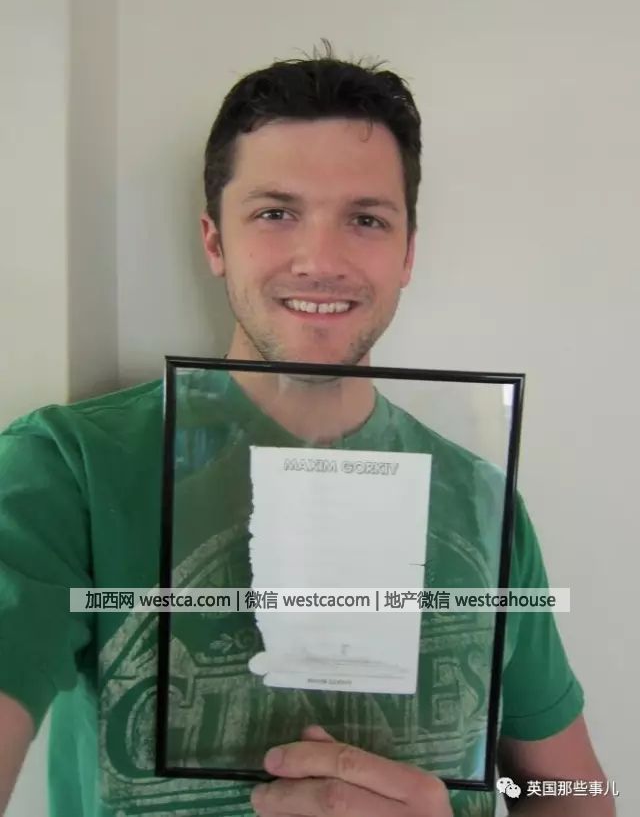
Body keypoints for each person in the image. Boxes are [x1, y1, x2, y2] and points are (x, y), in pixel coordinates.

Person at [0, 45, 613, 817]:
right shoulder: (67, 470)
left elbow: (574, 791)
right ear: (214, 242)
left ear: (407, 254)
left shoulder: (483, 504)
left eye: (365, 219)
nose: (320, 259)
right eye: (276, 213)